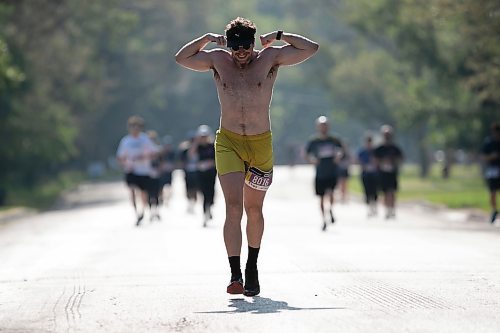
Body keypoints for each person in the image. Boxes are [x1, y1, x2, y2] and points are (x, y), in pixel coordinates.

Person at [175, 17, 318, 296]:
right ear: (228, 46)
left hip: (260, 143)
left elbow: (310, 48)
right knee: (232, 208)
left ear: (253, 45)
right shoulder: (218, 59)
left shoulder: (270, 58)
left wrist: (278, 35)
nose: (241, 54)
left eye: (245, 48)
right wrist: (206, 38)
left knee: (254, 209)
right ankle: (235, 273)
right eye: (235, 48)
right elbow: (181, 58)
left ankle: (252, 266)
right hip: (228, 141)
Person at [116, 116, 159, 226]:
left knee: (143, 193)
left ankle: (142, 211)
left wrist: (144, 157)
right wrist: (125, 163)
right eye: (133, 127)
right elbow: (120, 156)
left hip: (144, 170)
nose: (135, 129)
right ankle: (136, 213)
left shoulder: (145, 139)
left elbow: (155, 152)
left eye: (137, 127)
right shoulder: (126, 141)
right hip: (131, 170)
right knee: (132, 190)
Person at [305, 116, 344, 231]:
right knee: (321, 198)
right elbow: (307, 154)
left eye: (325, 125)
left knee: (331, 194)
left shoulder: (334, 139)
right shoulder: (314, 141)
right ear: (318, 127)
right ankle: (323, 220)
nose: (324, 128)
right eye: (321, 126)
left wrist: (339, 156)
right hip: (320, 173)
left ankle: (330, 209)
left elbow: (341, 150)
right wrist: (312, 160)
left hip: (332, 171)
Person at [189, 125, 217, 227]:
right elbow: (191, 155)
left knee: (211, 193)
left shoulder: (212, 146)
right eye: (202, 136)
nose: (204, 138)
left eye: (205, 136)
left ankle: (209, 208)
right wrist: (196, 142)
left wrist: (210, 163)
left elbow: (217, 159)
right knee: (203, 194)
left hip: (211, 173)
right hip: (200, 174)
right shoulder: (198, 147)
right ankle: (205, 213)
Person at [374, 125, 404, 219]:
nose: (387, 136)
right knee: (385, 192)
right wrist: (382, 162)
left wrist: (394, 162)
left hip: (392, 173)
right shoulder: (379, 148)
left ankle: (393, 209)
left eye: (388, 134)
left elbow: (401, 158)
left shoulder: (395, 148)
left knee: (392, 192)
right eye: (385, 134)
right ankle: (387, 209)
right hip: (383, 173)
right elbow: (375, 160)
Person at [481, 122, 500, 224]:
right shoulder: (489, 143)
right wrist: (492, 156)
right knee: (492, 192)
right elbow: (483, 156)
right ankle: (494, 210)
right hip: (492, 170)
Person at [357, 134, 379, 217]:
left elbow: (378, 161)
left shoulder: (375, 151)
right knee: (367, 192)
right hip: (365, 174)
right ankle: (369, 208)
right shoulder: (362, 152)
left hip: (374, 174)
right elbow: (358, 161)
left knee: (375, 191)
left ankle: (374, 207)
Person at [178, 133, 199, 213]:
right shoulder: (184, 150)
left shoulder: (199, 149)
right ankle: (190, 202)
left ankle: (194, 203)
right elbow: (182, 161)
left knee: (195, 189)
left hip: (196, 172)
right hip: (188, 172)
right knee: (188, 188)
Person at [147, 130, 162, 221]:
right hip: (147, 174)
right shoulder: (144, 148)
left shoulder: (157, 149)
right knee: (149, 194)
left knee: (156, 194)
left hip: (156, 174)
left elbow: (161, 162)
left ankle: (156, 211)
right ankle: (150, 212)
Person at [158, 135, 177, 206]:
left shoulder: (172, 153)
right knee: (161, 187)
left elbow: (175, 163)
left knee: (169, 186)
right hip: (162, 173)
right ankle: (161, 198)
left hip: (169, 172)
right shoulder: (161, 153)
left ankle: (167, 200)